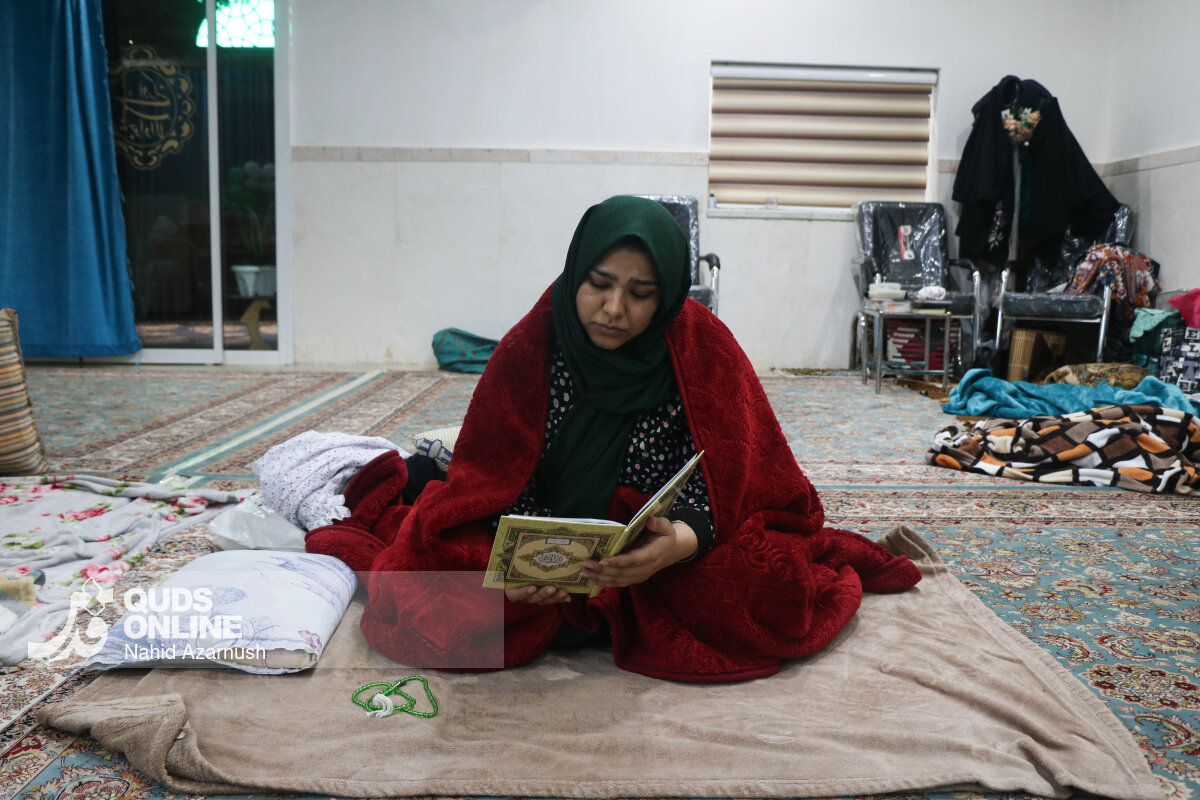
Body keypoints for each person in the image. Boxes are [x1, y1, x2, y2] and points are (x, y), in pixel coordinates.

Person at [306, 195, 920, 682]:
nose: (613, 308)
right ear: (577, 272)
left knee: (763, 591)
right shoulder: (532, 345)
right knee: (426, 591)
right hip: (540, 535)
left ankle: (607, 604)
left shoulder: (703, 348)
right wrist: (520, 565)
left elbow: (745, 479)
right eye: (599, 283)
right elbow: (488, 476)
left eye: (640, 293)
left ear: (669, 295)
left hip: (657, 545)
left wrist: (678, 544)